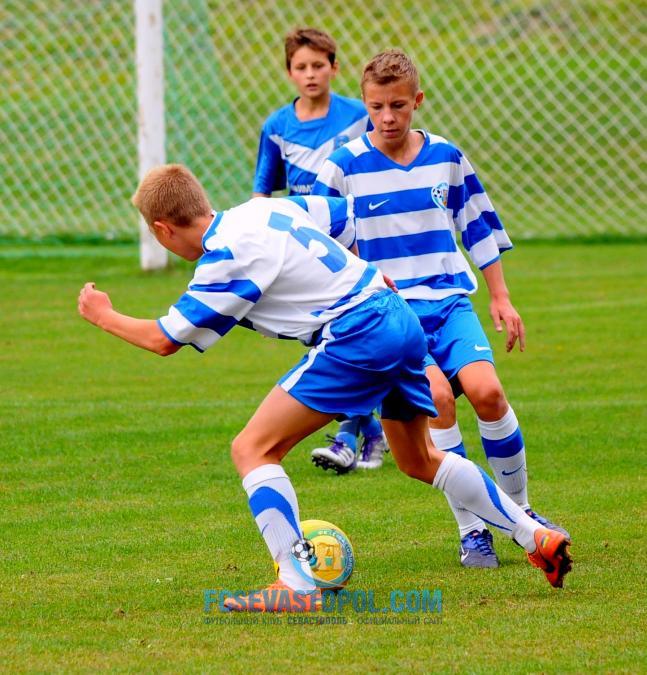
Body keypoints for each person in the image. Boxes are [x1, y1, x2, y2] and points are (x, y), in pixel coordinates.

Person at [78, 164, 571, 611]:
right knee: (419, 458)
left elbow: (165, 339)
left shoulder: (226, 256)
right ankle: (535, 537)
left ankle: (295, 585)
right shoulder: (263, 209)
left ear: (162, 229)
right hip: (395, 314)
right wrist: (362, 270)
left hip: (356, 334)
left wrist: (103, 316)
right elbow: (345, 218)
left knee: (252, 449)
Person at [312, 49, 570, 569]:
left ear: (418, 101)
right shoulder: (342, 166)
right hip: (390, 315)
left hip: (450, 302)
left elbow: (478, 226)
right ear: (363, 103)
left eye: (398, 106)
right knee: (439, 401)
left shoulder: (446, 158)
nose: (387, 117)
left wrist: (500, 296)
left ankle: (521, 514)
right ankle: (472, 531)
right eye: (377, 107)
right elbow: (319, 243)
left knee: (488, 393)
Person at [252, 26, 386, 470]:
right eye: (300, 67)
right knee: (330, 339)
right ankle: (371, 432)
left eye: (317, 65)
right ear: (289, 72)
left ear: (334, 67)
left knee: (350, 336)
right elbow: (263, 192)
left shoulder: (358, 115)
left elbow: (382, 162)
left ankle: (350, 438)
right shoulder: (277, 126)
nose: (310, 74)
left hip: (356, 239)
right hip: (308, 248)